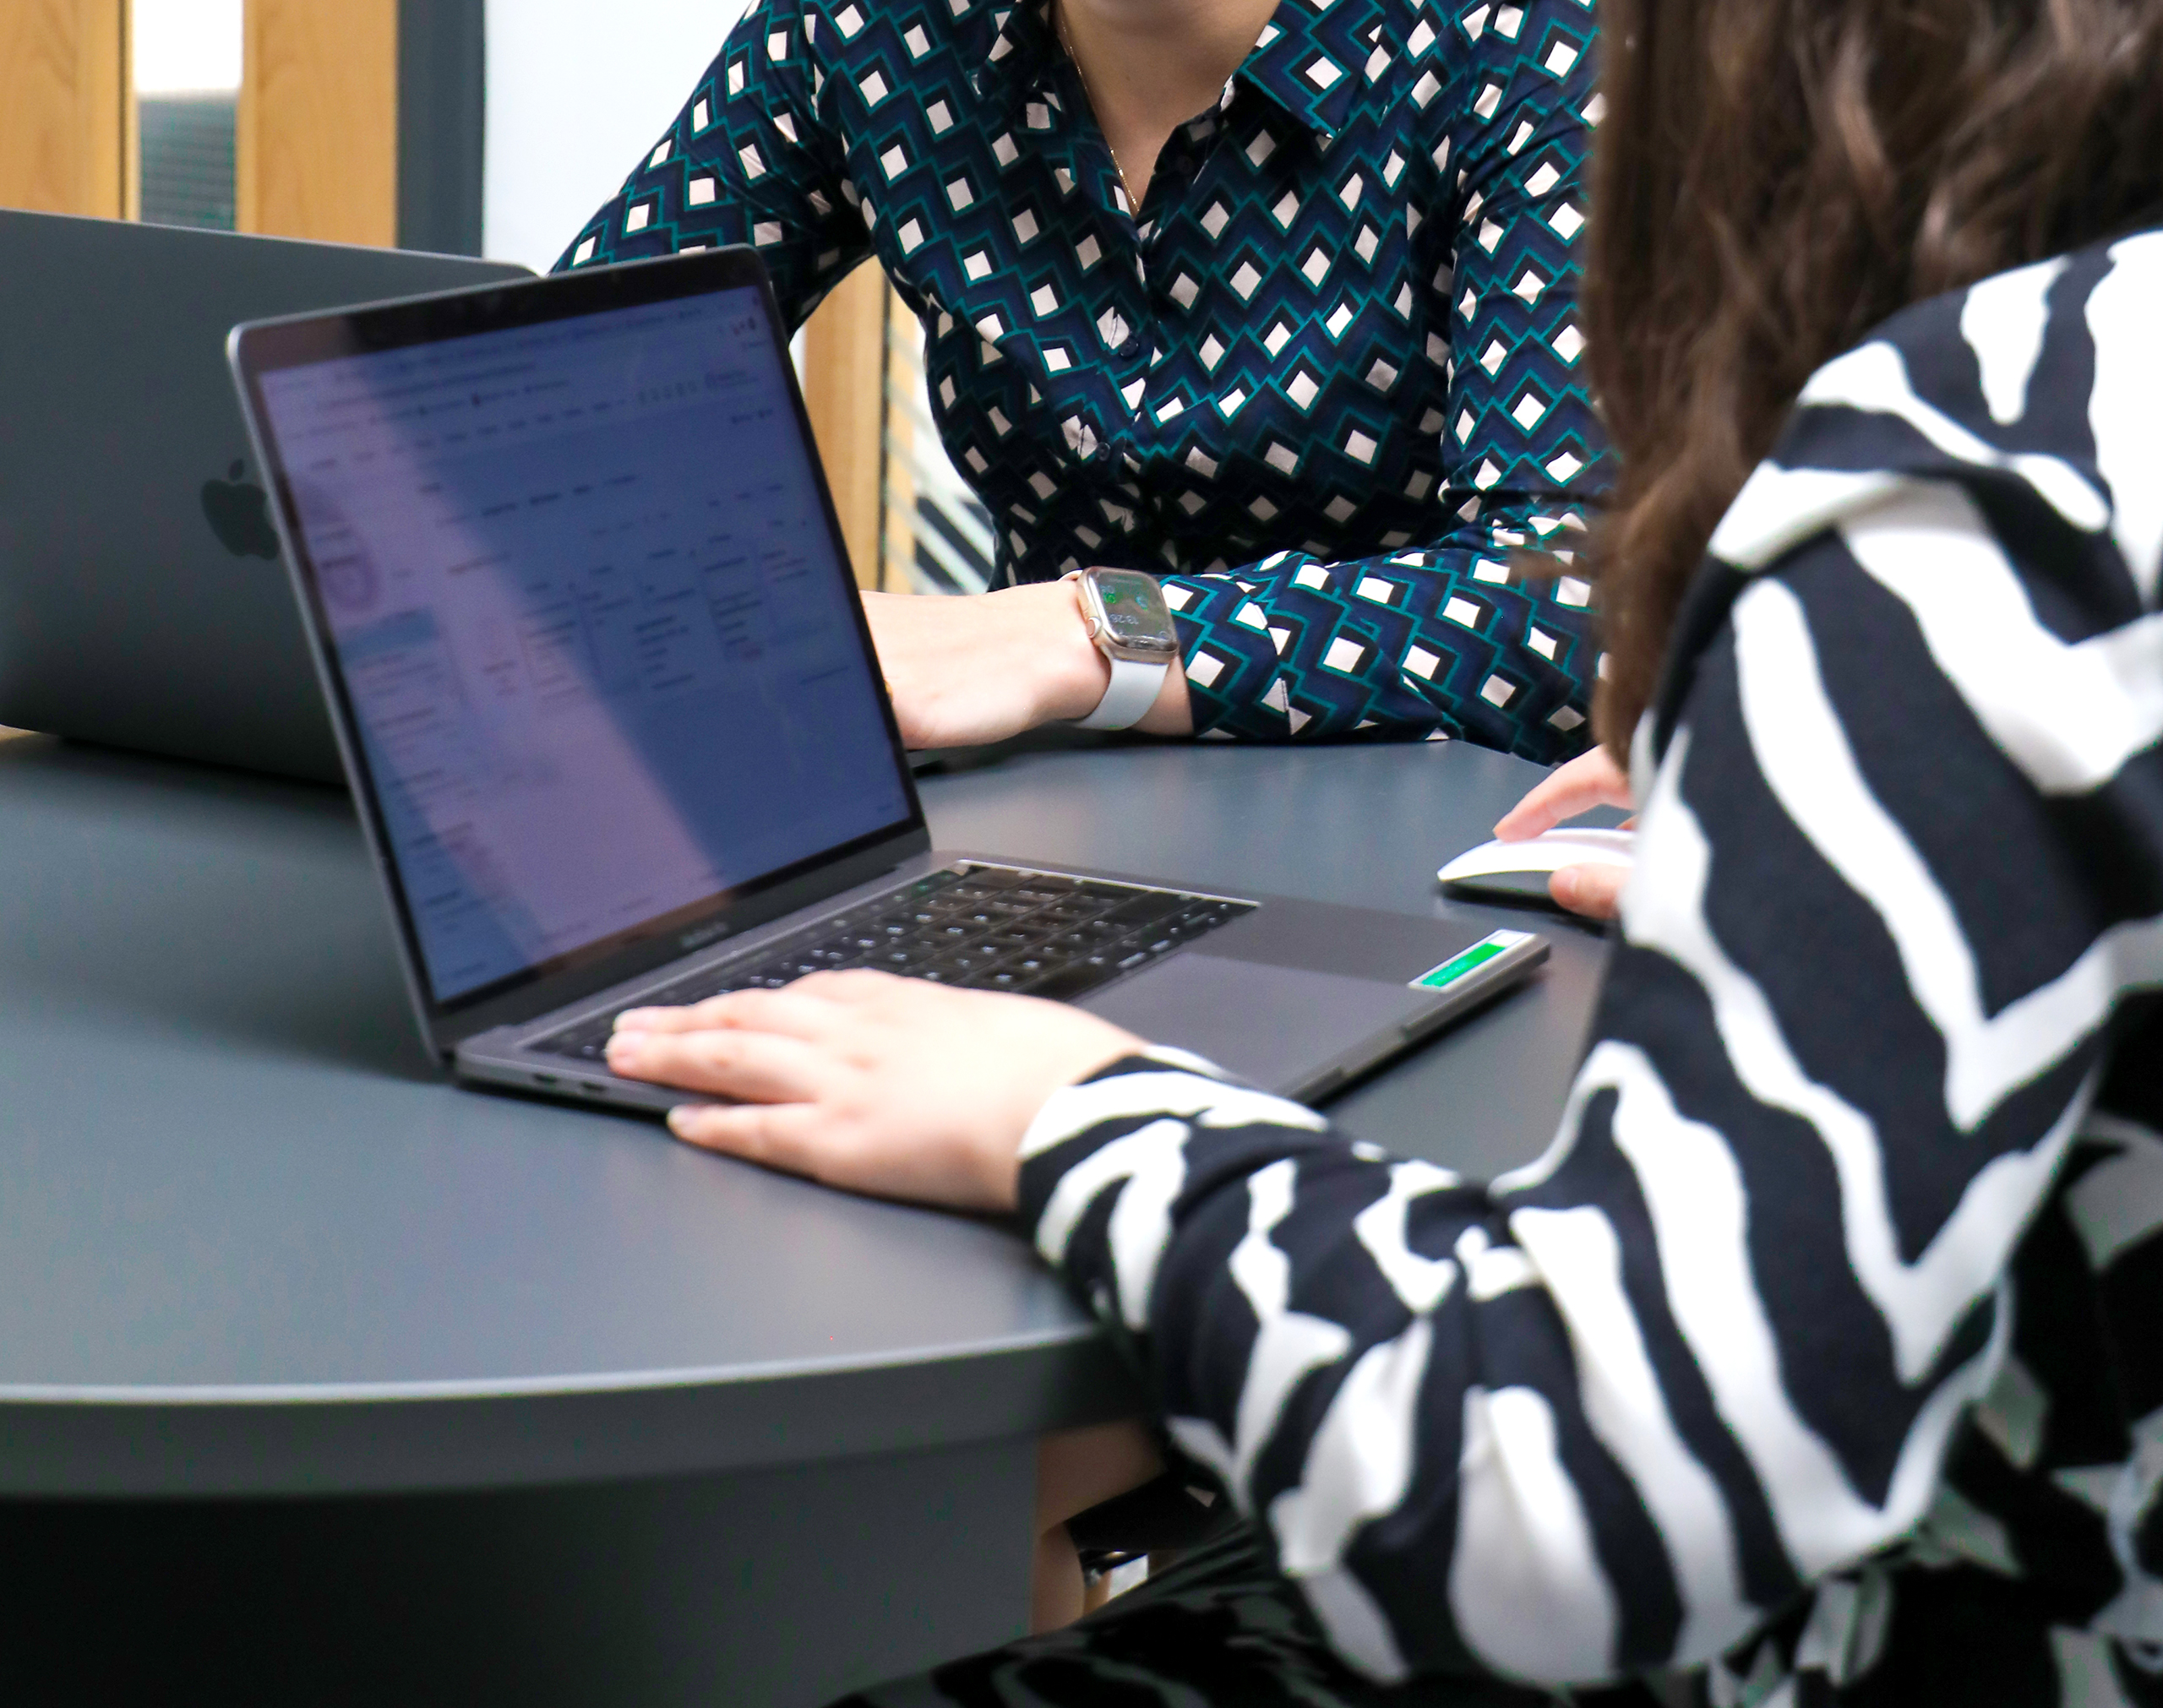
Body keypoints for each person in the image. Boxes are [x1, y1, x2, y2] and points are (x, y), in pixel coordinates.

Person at [601, 0, 2163, 1701]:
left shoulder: (1953, 490)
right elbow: (559, 363)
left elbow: (1579, 1517)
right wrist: (1861, 863)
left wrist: (1069, 1113)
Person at [558, 0, 1605, 756]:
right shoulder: (871, 31)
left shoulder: (1530, 44)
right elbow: (564, 402)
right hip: (1033, 822)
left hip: (1431, 827)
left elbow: (1574, 600)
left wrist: (1083, 636)